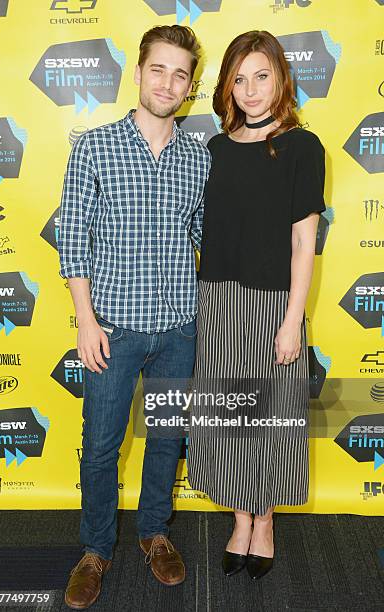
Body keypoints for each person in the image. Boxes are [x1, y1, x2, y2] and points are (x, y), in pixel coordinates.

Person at [58, 25, 210, 609]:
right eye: (159, 69)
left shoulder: (198, 158)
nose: (168, 82)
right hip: (113, 328)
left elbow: (204, 235)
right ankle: (96, 549)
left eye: (180, 74)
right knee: (100, 445)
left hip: (177, 326)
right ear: (138, 72)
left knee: (166, 439)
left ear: (190, 87)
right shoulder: (94, 147)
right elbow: (73, 236)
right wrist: (85, 319)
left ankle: (153, 533)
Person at [187, 30, 326, 580]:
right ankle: (239, 518)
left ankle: (264, 522)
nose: (249, 90)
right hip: (217, 301)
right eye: (238, 79)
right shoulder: (215, 150)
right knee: (227, 422)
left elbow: (302, 243)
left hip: (274, 307)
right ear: (227, 86)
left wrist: (293, 319)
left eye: (260, 76)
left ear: (281, 79)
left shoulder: (303, 147)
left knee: (272, 421)